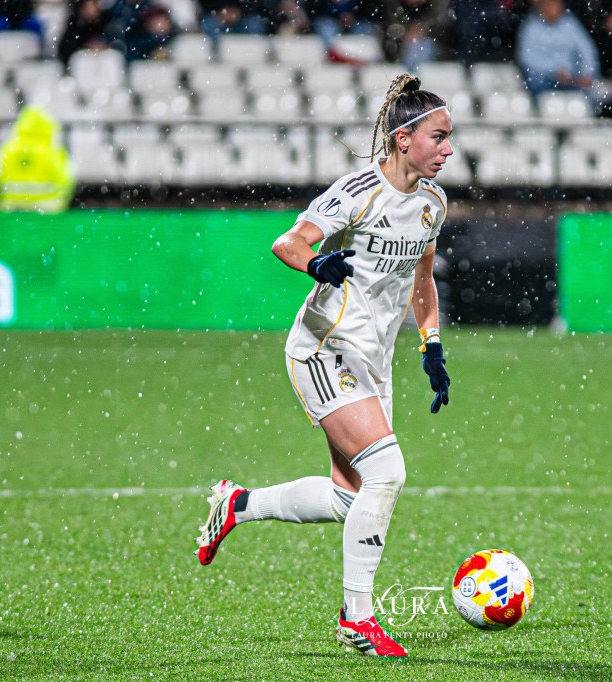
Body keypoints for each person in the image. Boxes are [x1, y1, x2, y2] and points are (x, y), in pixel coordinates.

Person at [194, 73, 453, 658]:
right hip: (322, 347)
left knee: (348, 499)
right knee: (387, 473)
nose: (448, 149)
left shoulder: (433, 204)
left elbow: (422, 280)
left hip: (374, 360)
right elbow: (288, 243)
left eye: (450, 138)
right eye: (439, 137)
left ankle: (238, 504)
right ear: (403, 138)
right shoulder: (357, 190)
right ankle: (356, 618)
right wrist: (317, 266)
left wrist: (430, 345)